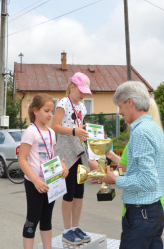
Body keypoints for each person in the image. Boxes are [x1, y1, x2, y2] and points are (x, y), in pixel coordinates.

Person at [102, 81, 164, 249]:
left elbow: (148, 180)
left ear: (130, 102)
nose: (119, 112)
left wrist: (115, 180)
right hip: (154, 211)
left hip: (142, 213)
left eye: (120, 106)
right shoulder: (153, 128)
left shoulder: (140, 132)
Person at [18, 93, 69, 249]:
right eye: (46, 111)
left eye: (51, 111)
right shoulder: (30, 132)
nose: (50, 115)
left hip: (50, 182)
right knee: (32, 220)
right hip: (35, 183)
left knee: (47, 219)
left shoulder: (51, 132)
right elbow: (22, 159)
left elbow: (51, 156)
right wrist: (35, 180)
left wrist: (61, 166)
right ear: (36, 111)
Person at [105, 98, 164, 217]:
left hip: (140, 207)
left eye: (121, 107)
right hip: (159, 202)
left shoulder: (138, 136)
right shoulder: (157, 134)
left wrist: (109, 176)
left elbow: (122, 170)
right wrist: (112, 156)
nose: (120, 112)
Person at [51, 72, 92, 246]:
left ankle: (76, 227)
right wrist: (74, 131)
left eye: (85, 91)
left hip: (79, 151)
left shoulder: (82, 107)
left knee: (79, 193)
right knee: (68, 193)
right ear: (72, 86)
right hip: (66, 153)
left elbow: (79, 126)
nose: (83, 94)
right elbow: (55, 126)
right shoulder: (63, 103)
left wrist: (84, 131)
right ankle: (67, 230)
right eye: (80, 90)